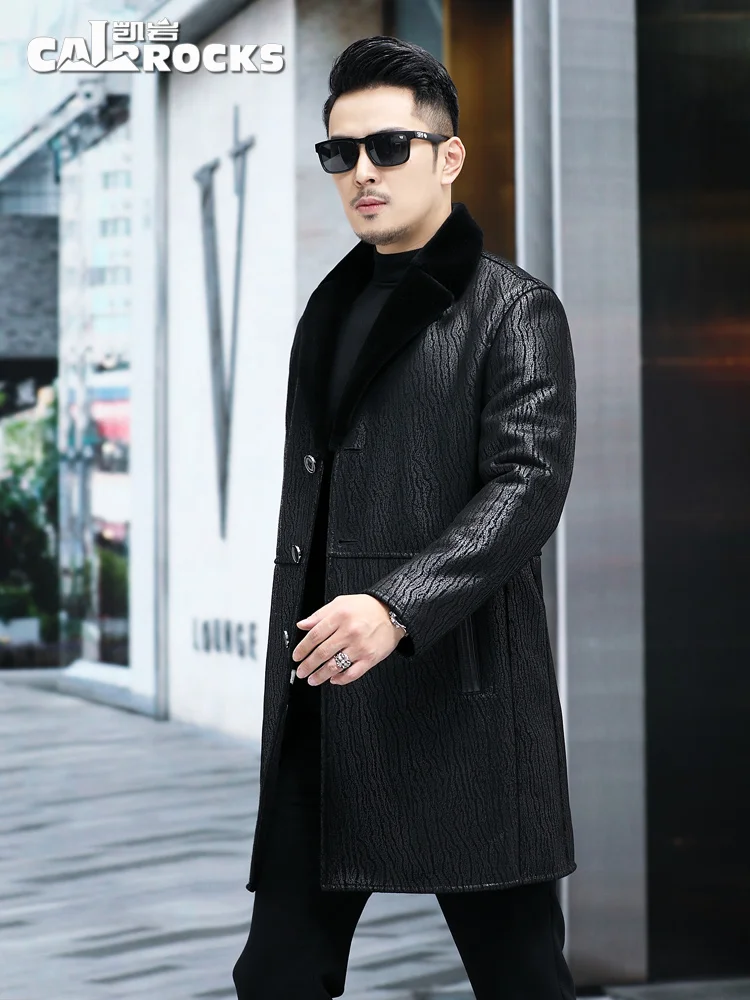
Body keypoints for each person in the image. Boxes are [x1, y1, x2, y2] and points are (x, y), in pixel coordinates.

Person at [233, 34, 578, 1000]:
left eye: (388, 146)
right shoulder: (328, 306)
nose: (362, 172)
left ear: (448, 156)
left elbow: (527, 485)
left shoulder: (513, 309)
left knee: (519, 977)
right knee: (277, 973)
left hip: (461, 696)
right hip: (325, 691)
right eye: (339, 152)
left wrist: (395, 606)